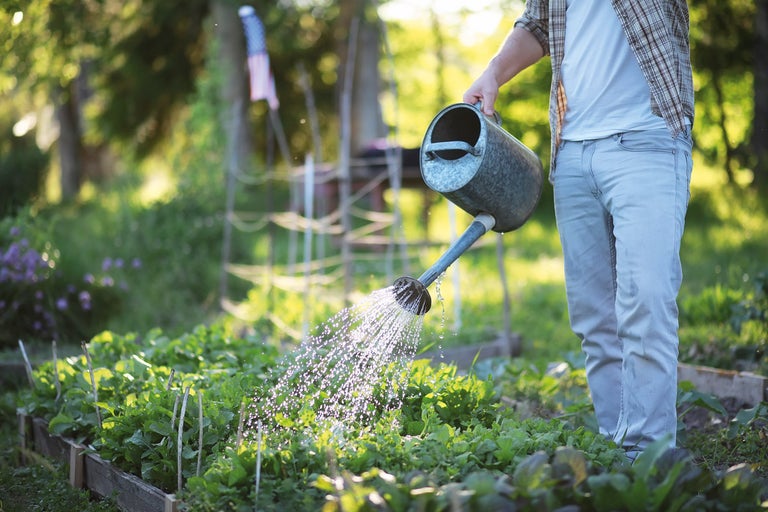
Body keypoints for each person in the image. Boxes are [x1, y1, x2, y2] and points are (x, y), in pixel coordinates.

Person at [464, 0, 694, 461]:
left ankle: (649, 458)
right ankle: (617, 446)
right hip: (571, 147)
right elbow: (539, 23)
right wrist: (492, 74)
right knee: (594, 316)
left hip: (647, 140)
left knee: (646, 300)